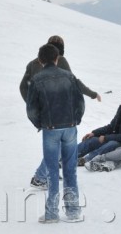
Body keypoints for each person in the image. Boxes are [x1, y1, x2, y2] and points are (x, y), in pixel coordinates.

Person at [20, 35, 100, 189]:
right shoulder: (61, 61)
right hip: (62, 114)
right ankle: (40, 177)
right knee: (60, 147)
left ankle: (44, 176)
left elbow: (23, 87)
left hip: (46, 117)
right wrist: (92, 94)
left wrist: (35, 110)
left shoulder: (32, 64)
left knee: (55, 147)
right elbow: (74, 84)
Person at [26, 43, 86, 223]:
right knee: (70, 169)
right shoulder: (69, 77)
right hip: (70, 127)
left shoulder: (37, 79)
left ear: (40, 60)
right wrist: (75, 120)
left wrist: (40, 123)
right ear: (57, 58)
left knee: (52, 170)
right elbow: (80, 103)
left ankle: (52, 214)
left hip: (50, 129)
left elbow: (31, 109)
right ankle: (73, 211)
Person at [76, 90, 121, 167]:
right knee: (91, 140)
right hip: (112, 139)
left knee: (111, 144)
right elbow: (111, 127)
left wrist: (106, 138)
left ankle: (85, 160)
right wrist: (94, 133)